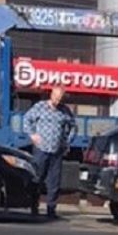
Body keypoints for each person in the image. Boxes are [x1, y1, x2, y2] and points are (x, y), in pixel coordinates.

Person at [23, 87, 77, 219]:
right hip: (41, 149)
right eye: (55, 98)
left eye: (60, 99)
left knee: (54, 182)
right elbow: (27, 120)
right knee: (37, 178)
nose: (57, 101)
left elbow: (73, 127)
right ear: (51, 95)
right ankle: (33, 206)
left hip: (57, 151)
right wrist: (32, 135)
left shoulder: (65, 111)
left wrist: (67, 142)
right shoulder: (40, 107)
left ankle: (51, 209)